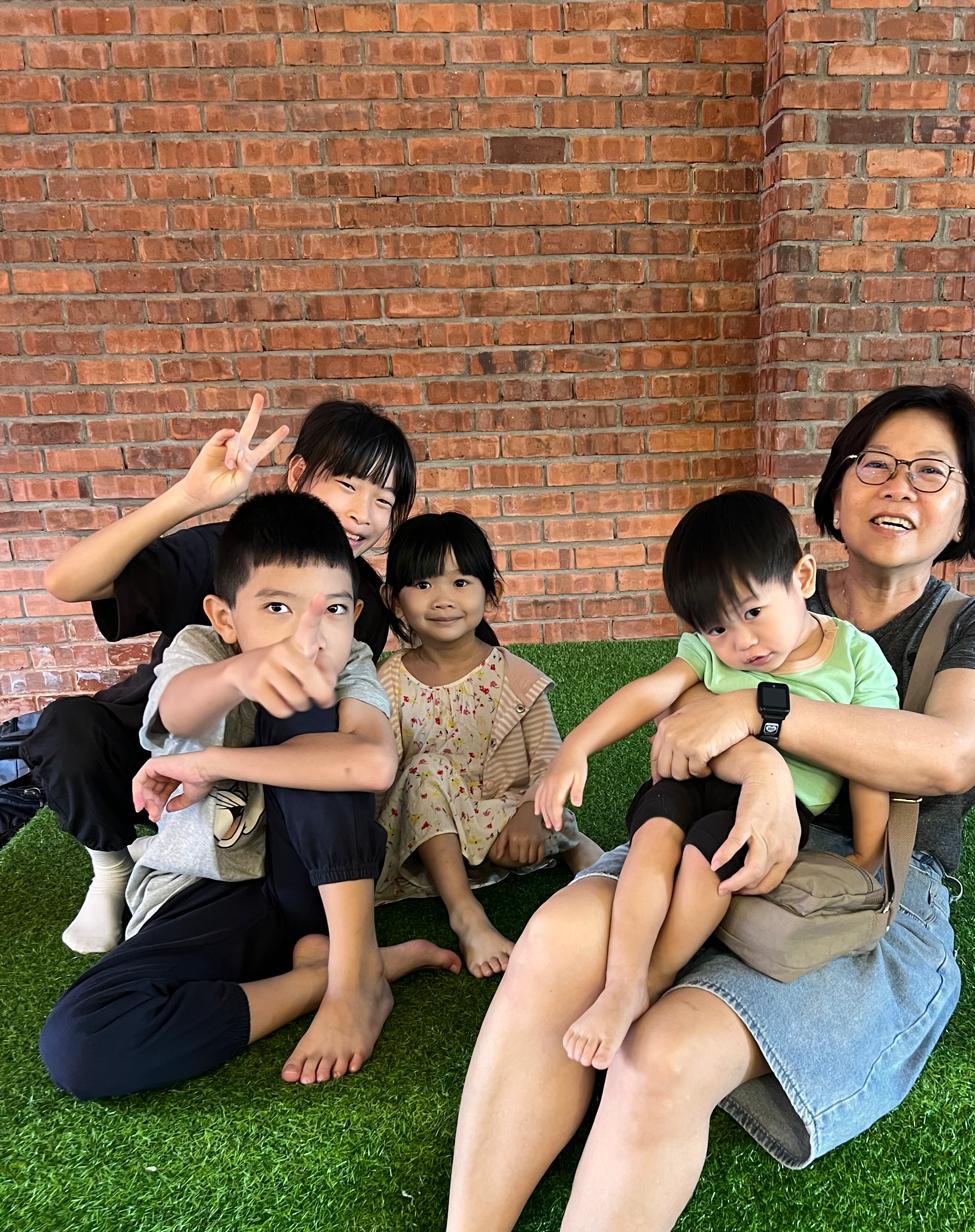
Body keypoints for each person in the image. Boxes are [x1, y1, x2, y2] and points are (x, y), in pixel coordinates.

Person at [324, 382, 975, 1232]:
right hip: (702, 845)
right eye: (874, 461)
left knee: (662, 1054)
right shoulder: (742, 596)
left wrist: (762, 722)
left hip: (857, 899)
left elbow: (948, 754)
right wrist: (730, 752)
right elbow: (670, 719)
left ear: (969, 504)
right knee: (559, 935)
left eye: (932, 471)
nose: (899, 487)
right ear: (830, 497)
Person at [38, 491, 460, 1101]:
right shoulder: (200, 649)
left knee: (311, 713)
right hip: (204, 895)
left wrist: (212, 763)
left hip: (314, 885)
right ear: (225, 617)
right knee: (81, 1043)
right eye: (277, 607)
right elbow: (179, 711)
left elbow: (370, 763)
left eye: (333, 609)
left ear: (356, 613)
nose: (307, 636)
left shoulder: (350, 662)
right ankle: (333, 974)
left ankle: (353, 984)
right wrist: (242, 673)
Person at [23, 394, 415, 956]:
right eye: (348, 485)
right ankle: (112, 868)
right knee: (67, 729)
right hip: (169, 739)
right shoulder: (228, 551)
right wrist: (188, 497)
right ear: (298, 475)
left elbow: (357, 733)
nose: (363, 514)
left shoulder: (360, 602)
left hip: (266, 762)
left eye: (384, 500)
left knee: (315, 721)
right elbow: (66, 582)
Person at [534, 489, 898, 1068]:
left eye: (752, 613)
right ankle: (622, 982)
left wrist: (867, 853)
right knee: (652, 841)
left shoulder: (855, 657)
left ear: (803, 577)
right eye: (716, 629)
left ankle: (654, 977)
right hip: (693, 772)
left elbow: (871, 761)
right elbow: (653, 691)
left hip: (769, 806)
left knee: (709, 861)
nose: (741, 643)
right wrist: (576, 747)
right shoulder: (710, 654)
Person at [374, 511, 601, 979]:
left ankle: (580, 850)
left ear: (490, 592)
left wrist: (529, 813)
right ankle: (467, 916)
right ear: (393, 599)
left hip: (505, 825)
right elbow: (381, 769)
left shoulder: (516, 677)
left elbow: (551, 759)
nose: (443, 599)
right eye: (423, 584)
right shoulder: (389, 680)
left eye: (461, 582)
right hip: (431, 837)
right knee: (425, 769)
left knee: (546, 809)